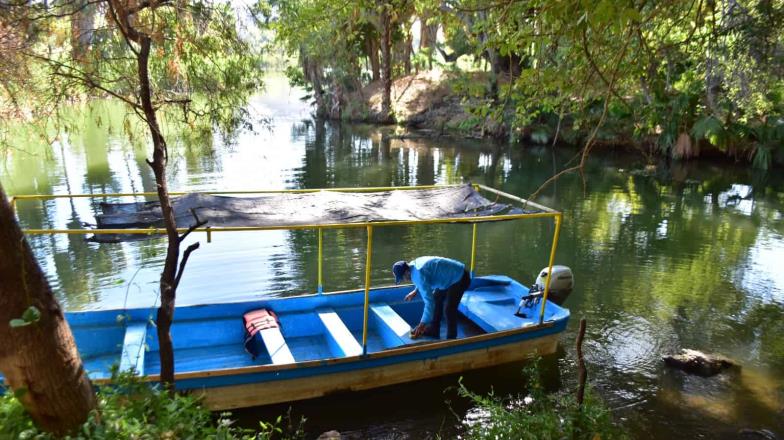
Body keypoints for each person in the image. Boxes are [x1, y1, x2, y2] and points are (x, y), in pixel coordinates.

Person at [392, 256, 471, 339]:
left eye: (403, 278)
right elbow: (424, 278)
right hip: (450, 276)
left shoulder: (418, 275)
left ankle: (451, 339)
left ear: (406, 272)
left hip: (460, 277)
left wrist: (422, 324)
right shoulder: (413, 266)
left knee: (449, 309)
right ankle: (434, 330)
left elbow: (429, 302)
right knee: (437, 299)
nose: (404, 280)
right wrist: (415, 291)